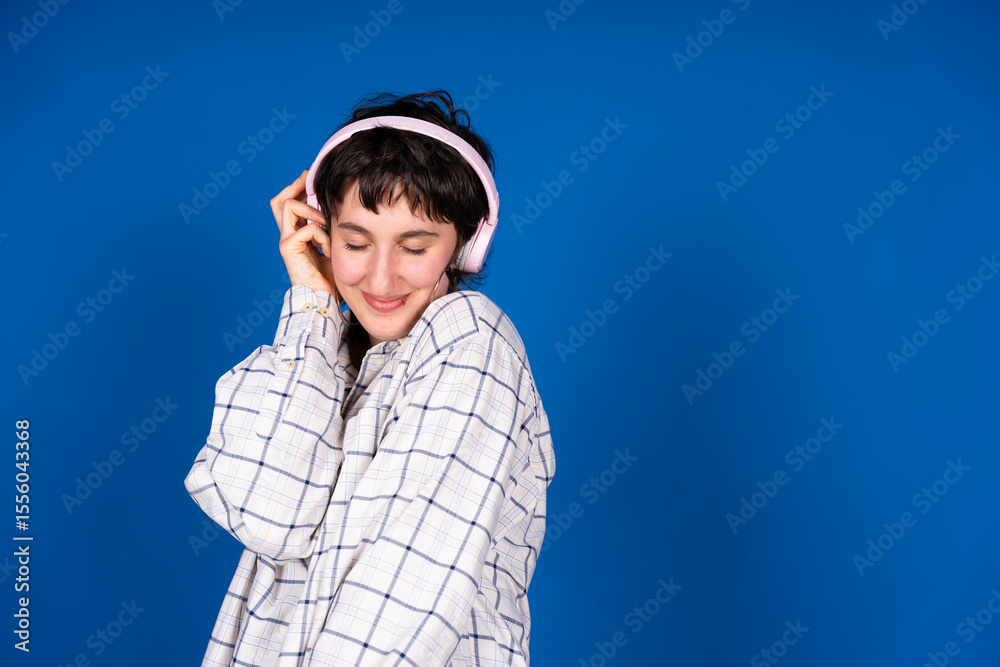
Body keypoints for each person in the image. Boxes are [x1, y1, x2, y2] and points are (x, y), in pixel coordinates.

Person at [183, 90, 556, 666]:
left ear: (468, 247)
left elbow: (407, 596)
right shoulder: (328, 358)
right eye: (355, 242)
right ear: (322, 232)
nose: (380, 276)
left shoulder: (471, 340)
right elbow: (268, 515)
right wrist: (311, 300)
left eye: (414, 246)